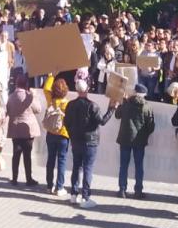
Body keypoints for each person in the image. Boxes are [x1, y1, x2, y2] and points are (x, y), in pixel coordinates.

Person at [64, 80, 115, 209]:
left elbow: (66, 123)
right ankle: (85, 197)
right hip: (90, 142)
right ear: (87, 90)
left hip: (76, 141)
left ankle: (73, 194)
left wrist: (72, 135)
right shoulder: (92, 105)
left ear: (77, 90)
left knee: (76, 167)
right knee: (87, 168)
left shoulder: (70, 105)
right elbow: (102, 121)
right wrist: (112, 108)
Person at [114, 84, 156, 199]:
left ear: (134, 92)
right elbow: (151, 126)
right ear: (144, 94)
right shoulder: (147, 106)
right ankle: (138, 191)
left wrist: (122, 102)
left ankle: (122, 190)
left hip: (125, 138)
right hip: (140, 140)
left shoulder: (126, 103)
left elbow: (117, 115)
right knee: (139, 166)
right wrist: (145, 134)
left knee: (123, 165)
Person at [5, 73, 42, 188]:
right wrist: (35, 96)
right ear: (26, 84)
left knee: (16, 154)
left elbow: (8, 111)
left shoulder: (11, 96)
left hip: (15, 128)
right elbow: (38, 109)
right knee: (27, 155)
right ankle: (28, 178)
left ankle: (14, 178)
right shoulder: (29, 96)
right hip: (27, 129)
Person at [42, 77, 71, 197]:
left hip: (51, 133)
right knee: (62, 161)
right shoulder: (67, 104)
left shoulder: (51, 101)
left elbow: (46, 88)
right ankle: (59, 187)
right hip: (63, 134)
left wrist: (51, 75)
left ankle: (49, 186)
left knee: (50, 159)